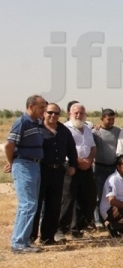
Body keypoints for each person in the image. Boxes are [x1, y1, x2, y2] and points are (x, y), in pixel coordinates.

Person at [4, 95, 46, 253]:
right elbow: (9, 145)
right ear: (31, 106)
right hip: (24, 165)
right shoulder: (22, 122)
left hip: (34, 165)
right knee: (28, 204)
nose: (44, 110)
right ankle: (19, 243)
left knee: (31, 204)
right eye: (41, 107)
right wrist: (12, 161)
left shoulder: (36, 123)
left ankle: (24, 240)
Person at [31, 103, 77, 245]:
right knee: (36, 204)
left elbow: (71, 148)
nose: (53, 115)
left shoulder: (64, 130)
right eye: (50, 112)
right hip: (41, 170)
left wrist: (73, 165)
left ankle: (47, 237)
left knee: (54, 205)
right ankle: (30, 238)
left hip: (58, 171)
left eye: (56, 113)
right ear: (44, 113)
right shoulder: (36, 128)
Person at [58, 103, 97, 239]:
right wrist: (80, 161)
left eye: (81, 113)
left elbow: (93, 147)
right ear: (70, 114)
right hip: (71, 167)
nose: (79, 115)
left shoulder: (87, 129)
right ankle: (60, 230)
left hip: (87, 168)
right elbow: (65, 149)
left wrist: (89, 160)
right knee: (68, 200)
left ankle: (77, 229)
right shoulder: (64, 129)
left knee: (89, 198)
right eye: (76, 113)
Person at [92, 108, 121, 228]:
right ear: (102, 119)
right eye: (109, 119)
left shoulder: (118, 131)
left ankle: (112, 218)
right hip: (99, 167)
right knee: (99, 194)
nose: (111, 122)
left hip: (113, 168)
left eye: (113, 119)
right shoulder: (95, 132)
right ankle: (98, 220)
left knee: (113, 194)